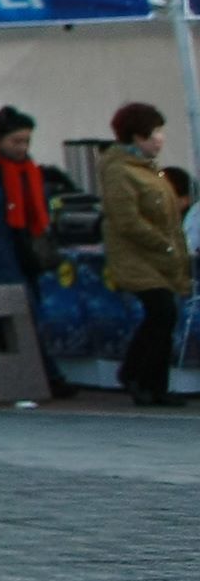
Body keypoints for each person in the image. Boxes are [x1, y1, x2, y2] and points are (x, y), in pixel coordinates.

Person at [102, 106, 191, 409]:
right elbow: (127, 219)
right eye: (155, 134)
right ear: (137, 136)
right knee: (162, 313)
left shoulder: (145, 169)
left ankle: (148, 381)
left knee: (162, 316)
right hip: (137, 257)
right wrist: (163, 243)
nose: (161, 140)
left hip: (155, 256)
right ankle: (139, 377)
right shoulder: (120, 171)